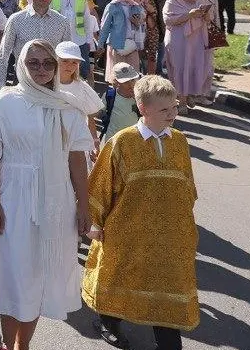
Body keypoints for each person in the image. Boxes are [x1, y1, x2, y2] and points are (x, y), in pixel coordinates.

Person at [0, 40, 95, 350]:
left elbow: (77, 159)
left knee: (38, 275)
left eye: (48, 63)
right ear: (21, 66)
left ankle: (22, 345)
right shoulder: (4, 103)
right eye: (34, 63)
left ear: (56, 67)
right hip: (10, 197)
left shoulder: (67, 107)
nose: (41, 69)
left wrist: (84, 204)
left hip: (55, 202)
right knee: (10, 272)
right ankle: (6, 342)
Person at [85, 75, 198, 350]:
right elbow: (100, 186)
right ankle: (107, 321)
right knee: (119, 276)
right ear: (142, 108)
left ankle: (169, 342)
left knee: (166, 287)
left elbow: (187, 186)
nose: (172, 114)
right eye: (164, 110)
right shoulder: (122, 142)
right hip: (127, 231)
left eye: (175, 107)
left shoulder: (179, 141)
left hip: (170, 234)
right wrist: (93, 223)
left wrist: (184, 224)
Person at [0, 0, 74, 89]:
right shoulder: (16, 20)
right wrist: (0, 87)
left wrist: (67, 87)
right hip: (22, 81)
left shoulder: (62, 22)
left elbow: (67, 57)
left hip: (51, 83)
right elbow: (3, 56)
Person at [163, 0, 214, 109]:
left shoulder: (201, 0)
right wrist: (189, 15)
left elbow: (209, 19)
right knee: (179, 68)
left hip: (196, 40)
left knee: (195, 67)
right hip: (178, 40)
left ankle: (190, 94)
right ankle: (181, 101)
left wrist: (205, 15)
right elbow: (168, 19)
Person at [94, 0, 144, 76]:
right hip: (117, 44)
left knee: (133, 74)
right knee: (119, 75)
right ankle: (115, 91)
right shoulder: (112, 6)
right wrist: (100, 44)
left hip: (132, 44)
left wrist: (137, 23)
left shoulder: (134, 6)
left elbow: (141, 25)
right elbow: (105, 27)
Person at [102, 63, 142, 140]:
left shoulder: (140, 96)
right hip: (113, 139)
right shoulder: (110, 95)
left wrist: (138, 99)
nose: (131, 85)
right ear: (116, 82)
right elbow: (97, 113)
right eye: (126, 82)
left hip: (134, 139)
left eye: (133, 80)